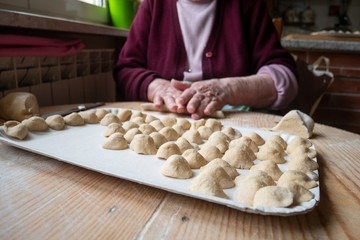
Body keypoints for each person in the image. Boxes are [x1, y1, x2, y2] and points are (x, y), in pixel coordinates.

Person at [114, 0, 298, 119]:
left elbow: (285, 77)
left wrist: (227, 89)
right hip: (166, 120)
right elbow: (126, 70)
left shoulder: (248, 4)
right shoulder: (153, 4)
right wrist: (158, 87)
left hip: (237, 123)